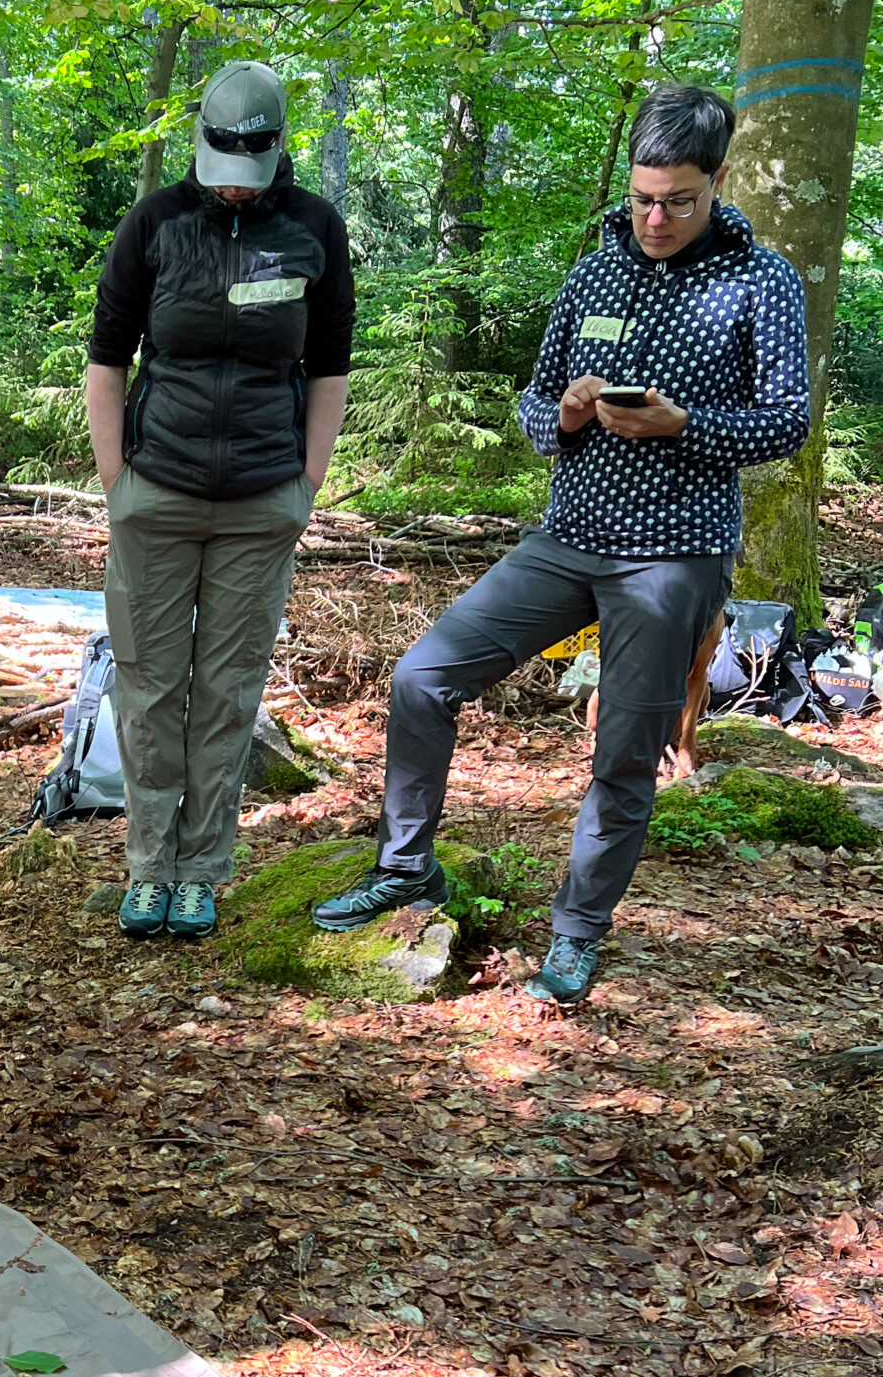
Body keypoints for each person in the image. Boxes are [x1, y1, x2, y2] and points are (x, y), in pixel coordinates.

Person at [311, 82, 810, 1006]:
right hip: (568, 537)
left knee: (624, 749)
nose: (655, 218)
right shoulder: (595, 274)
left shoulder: (760, 282)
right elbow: (535, 409)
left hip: (674, 554)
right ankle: (406, 866)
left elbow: (786, 422)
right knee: (423, 675)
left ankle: (577, 934)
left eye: (679, 201)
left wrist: (683, 425)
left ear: (720, 181)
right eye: (642, 197)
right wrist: (569, 411)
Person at [86, 61, 354, 941]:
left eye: (252, 173)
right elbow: (106, 357)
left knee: (227, 689)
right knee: (151, 685)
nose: (234, 193)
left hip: (260, 501)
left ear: (280, 149)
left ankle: (202, 871)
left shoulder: (316, 228)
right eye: (221, 174)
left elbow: (329, 367)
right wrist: (116, 480)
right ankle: (149, 866)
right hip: (154, 494)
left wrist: (305, 485)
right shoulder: (156, 222)